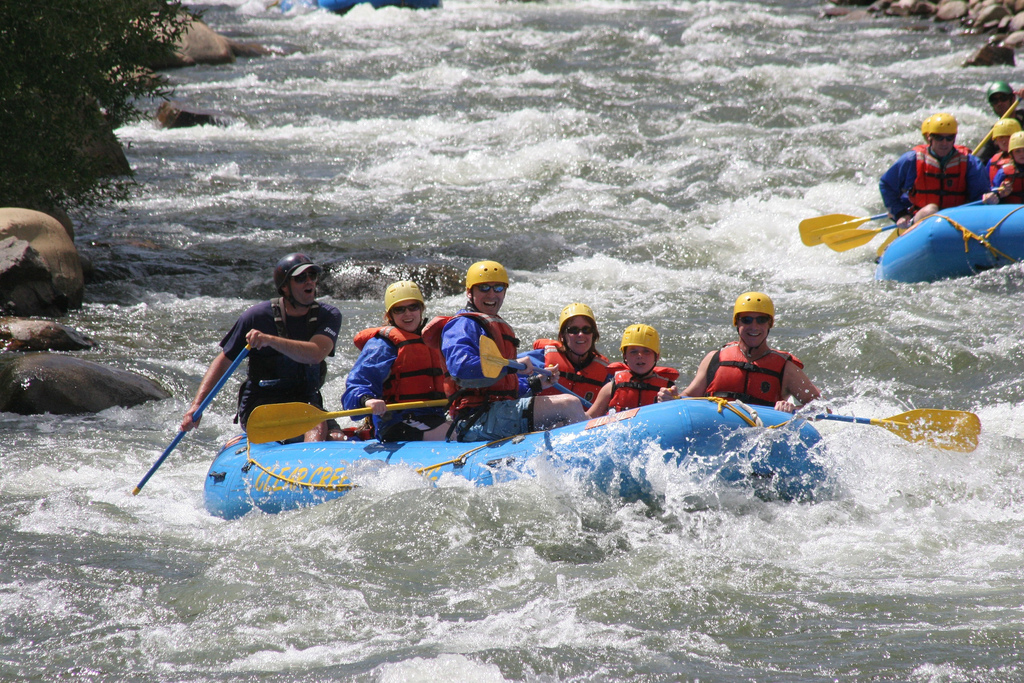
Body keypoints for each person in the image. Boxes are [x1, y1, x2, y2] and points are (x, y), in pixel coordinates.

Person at [180, 253, 342, 441]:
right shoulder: (256, 317)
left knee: (337, 437)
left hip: (306, 402)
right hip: (261, 407)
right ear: (285, 287)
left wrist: (270, 340)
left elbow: (315, 354)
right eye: (300, 278)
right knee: (315, 425)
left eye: (312, 276)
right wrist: (196, 406)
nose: (309, 282)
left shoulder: (328, 315)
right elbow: (224, 361)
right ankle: (306, 466)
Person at [434, 260, 588, 442]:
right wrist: (510, 365)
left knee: (572, 420)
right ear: (469, 292)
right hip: (477, 419)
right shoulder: (462, 325)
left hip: (497, 413)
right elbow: (461, 368)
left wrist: (536, 384)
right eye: (483, 288)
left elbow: (502, 387)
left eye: (498, 288)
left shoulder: (493, 325)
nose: (491, 294)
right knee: (569, 405)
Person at [342, 280, 450, 441]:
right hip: (396, 422)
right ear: (389, 315)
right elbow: (355, 388)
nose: (407, 314)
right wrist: (368, 400)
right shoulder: (381, 346)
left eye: (413, 307)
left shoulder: (434, 340)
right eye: (400, 309)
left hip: (433, 417)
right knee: (454, 435)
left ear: (422, 309)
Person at [681, 292, 819, 414]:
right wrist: (670, 397)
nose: (754, 326)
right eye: (746, 320)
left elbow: (821, 407)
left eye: (761, 320)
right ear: (737, 323)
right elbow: (687, 397)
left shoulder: (786, 368)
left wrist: (793, 409)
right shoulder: (714, 359)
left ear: (769, 324)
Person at [879, 112, 997, 235]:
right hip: (924, 217)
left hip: (957, 218)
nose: (944, 143)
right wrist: (900, 214)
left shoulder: (970, 162)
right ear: (930, 137)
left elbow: (980, 196)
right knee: (931, 209)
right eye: (939, 137)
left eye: (949, 138)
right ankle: (908, 232)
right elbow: (887, 185)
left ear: (954, 138)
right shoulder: (911, 160)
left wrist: (988, 197)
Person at [521, 302, 614, 405]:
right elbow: (506, 385)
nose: (580, 334)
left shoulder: (607, 372)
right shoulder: (539, 360)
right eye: (573, 330)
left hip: (585, 419)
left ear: (593, 334)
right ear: (562, 336)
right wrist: (534, 384)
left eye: (586, 329)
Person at [585, 324, 679, 418]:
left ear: (656, 356)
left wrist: (670, 405)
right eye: (633, 352)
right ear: (625, 357)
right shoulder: (611, 387)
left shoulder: (667, 390)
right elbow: (588, 419)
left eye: (646, 351)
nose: (639, 356)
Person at [978, 81, 1024, 164]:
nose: (999, 103)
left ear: (1013, 99)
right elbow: (981, 159)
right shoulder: (995, 131)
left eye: (1003, 98)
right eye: (994, 100)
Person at [991, 130, 1024, 204]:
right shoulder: (1003, 173)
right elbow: (993, 192)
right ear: (1012, 154)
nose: (1022, 154)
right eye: (1018, 151)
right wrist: (1000, 193)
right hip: (1010, 211)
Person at [985, 118, 1021, 185]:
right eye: (1001, 137)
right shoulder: (993, 161)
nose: (1004, 141)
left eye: (1008, 137)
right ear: (996, 141)